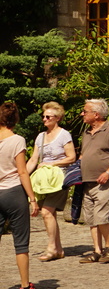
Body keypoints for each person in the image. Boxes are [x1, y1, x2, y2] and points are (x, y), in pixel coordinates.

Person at [78, 98, 109, 264]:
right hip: (87, 181)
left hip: (104, 182)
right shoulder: (86, 132)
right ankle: (97, 251)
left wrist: (108, 172)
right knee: (91, 219)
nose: (82, 114)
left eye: (85, 111)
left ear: (96, 114)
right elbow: (86, 153)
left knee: (101, 217)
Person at [30, 101, 76, 261]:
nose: (44, 119)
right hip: (43, 180)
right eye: (43, 116)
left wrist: (52, 163)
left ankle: (51, 248)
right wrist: (21, 175)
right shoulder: (40, 136)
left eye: (48, 116)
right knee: (50, 214)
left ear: (57, 118)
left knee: (47, 212)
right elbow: (34, 159)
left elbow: (71, 157)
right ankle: (58, 249)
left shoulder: (64, 135)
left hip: (59, 178)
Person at [0, 101, 37, 289]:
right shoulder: (17, 140)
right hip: (13, 192)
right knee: (21, 243)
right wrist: (32, 198)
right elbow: (22, 172)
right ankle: (25, 284)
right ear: (15, 120)